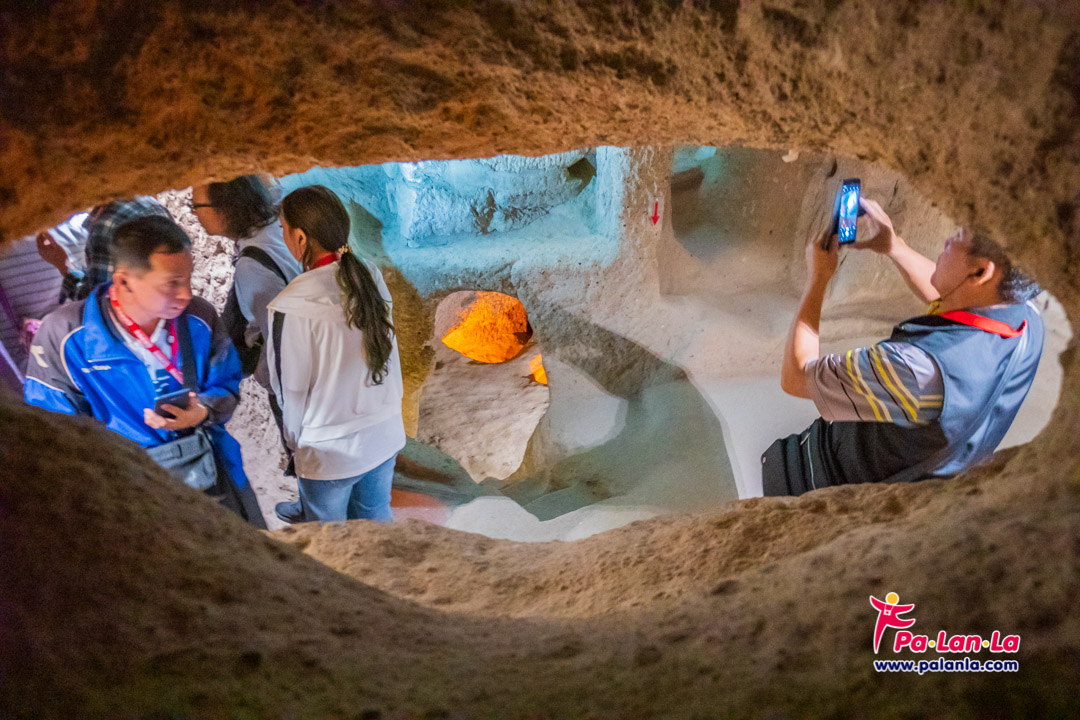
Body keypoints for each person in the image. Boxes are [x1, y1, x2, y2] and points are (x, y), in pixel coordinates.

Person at [764, 197, 1044, 495]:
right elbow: (955, 295)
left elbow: (796, 377)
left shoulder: (917, 370)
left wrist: (818, 279)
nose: (947, 240)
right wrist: (893, 246)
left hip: (837, 487)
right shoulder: (1025, 316)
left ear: (980, 272)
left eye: (957, 238)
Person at [23, 215, 265, 527]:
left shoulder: (199, 318)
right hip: (126, 492)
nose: (186, 294)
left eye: (188, 279)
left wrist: (203, 411)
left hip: (210, 470)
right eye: (171, 284)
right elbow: (55, 434)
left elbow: (226, 383)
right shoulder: (66, 336)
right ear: (124, 281)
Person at [266, 185, 405, 523]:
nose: (282, 236)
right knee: (375, 524)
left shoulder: (290, 304)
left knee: (331, 545)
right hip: (384, 435)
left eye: (283, 229)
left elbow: (290, 391)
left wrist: (297, 450)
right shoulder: (367, 274)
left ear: (301, 238)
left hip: (330, 454)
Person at [37, 196, 172, 302]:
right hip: (168, 316)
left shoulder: (105, 226)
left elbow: (97, 302)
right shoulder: (147, 202)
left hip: (134, 327)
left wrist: (63, 267)